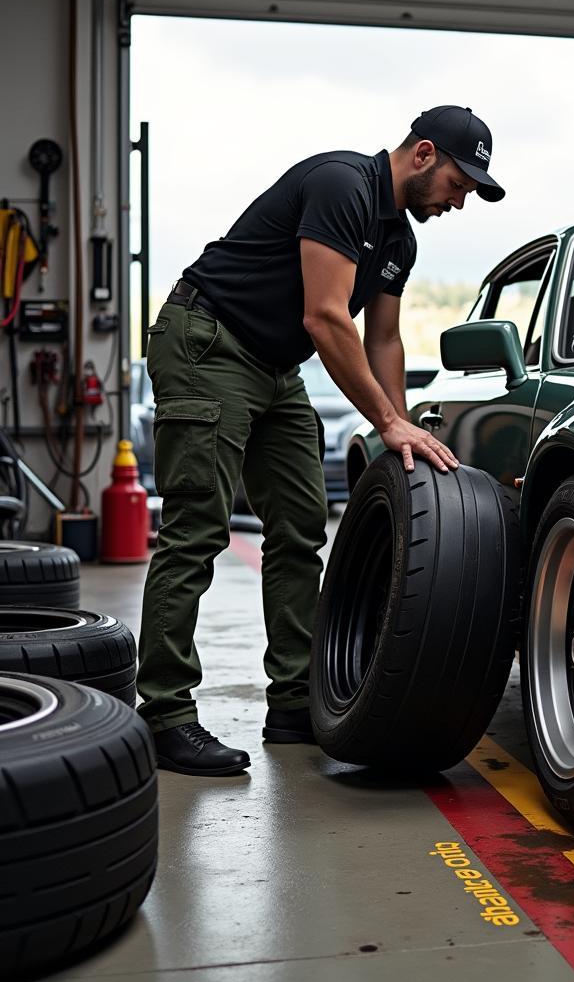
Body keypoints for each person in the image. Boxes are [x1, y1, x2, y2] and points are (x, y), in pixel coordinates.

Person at [137, 105, 505, 776]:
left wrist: (403, 432)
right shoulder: (343, 187)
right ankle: (164, 713)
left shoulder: (400, 241)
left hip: (276, 366)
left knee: (303, 524)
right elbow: (325, 315)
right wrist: (386, 422)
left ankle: (293, 702)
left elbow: (384, 338)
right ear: (423, 154)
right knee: (197, 528)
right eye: (458, 184)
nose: (459, 202)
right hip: (207, 342)